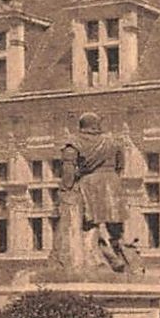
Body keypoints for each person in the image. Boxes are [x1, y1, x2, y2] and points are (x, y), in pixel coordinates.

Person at [60, 112, 131, 273]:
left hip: (90, 185)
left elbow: (68, 172)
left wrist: (67, 188)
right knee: (116, 228)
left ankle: (106, 258)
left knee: (88, 226)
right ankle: (126, 261)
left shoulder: (74, 143)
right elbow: (121, 165)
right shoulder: (113, 142)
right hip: (113, 184)